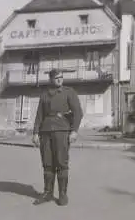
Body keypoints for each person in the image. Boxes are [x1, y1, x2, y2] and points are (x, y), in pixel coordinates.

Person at [32, 68, 83, 206]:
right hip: (46, 131)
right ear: (50, 80)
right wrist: (35, 133)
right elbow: (39, 115)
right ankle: (48, 193)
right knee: (47, 163)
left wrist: (74, 131)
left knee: (61, 163)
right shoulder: (45, 95)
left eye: (61, 77)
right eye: (56, 78)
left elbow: (78, 112)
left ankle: (62, 195)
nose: (60, 79)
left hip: (62, 130)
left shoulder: (69, 92)